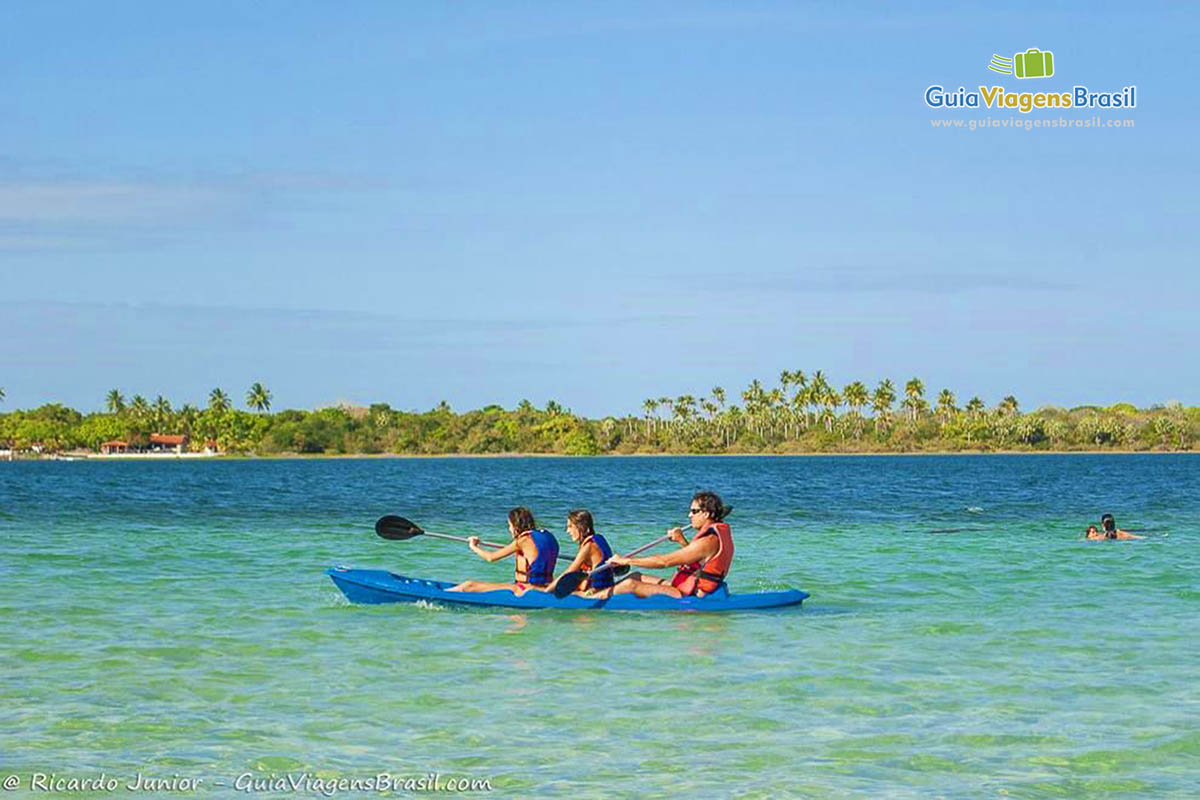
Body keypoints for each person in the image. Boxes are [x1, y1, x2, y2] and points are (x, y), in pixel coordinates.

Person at [601, 490, 733, 599]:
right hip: (684, 587)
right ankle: (605, 594)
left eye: (694, 511)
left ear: (706, 514)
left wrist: (625, 561)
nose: (689, 515)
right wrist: (681, 541)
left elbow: (664, 562)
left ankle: (590, 599)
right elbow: (698, 559)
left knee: (630, 584)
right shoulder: (712, 537)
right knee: (636, 576)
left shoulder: (708, 541)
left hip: (690, 594)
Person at [449, 507, 561, 593]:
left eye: (509, 525)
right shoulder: (549, 536)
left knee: (468, 585)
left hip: (525, 589)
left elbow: (491, 557)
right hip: (547, 587)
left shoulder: (523, 540)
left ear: (516, 525)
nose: (509, 529)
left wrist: (473, 546)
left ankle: (439, 594)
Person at [544, 509, 615, 595]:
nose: (567, 531)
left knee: (550, 589)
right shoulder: (598, 538)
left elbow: (569, 572)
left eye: (570, 526)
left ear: (581, 526)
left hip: (596, 592)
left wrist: (545, 593)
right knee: (552, 585)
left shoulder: (589, 546)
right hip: (604, 586)